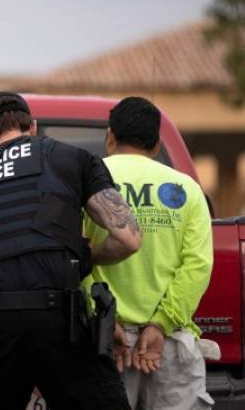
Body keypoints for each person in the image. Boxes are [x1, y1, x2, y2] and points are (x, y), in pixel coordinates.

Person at [0, 91, 142, 410]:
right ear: (32, 127)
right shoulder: (71, 157)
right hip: (60, 321)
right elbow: (129, 238)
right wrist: (87, 259)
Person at [83, 97, 214, 409]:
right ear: (156, 145)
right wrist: (161, 323)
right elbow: (198, 265)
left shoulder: (85, 183)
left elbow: (73, 258)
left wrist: (101, 316)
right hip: (168, 346)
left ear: (110, 136)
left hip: (104, 341)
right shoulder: (187, 189)